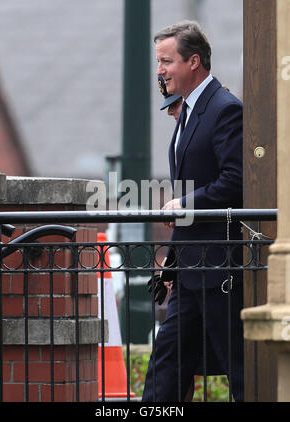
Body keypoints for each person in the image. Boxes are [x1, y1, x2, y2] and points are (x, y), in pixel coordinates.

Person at [142, 20, 243, 402]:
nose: (160, 70)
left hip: (219, 267)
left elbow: (236, 182)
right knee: (166, 363)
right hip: (190, 268)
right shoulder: (188, 112)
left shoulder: (226, 109)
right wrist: (172, 264)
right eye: (158, 62)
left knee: (239, 366)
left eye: (167, 61)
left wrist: (184, 203)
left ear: (194, 62)